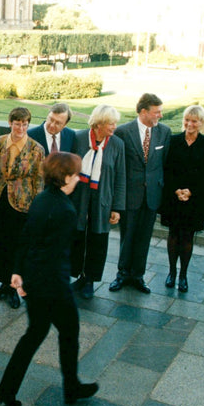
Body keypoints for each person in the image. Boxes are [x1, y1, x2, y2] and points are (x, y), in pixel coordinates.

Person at [0, 152, 99, 406]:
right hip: (51, 285)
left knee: (35, 334)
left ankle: (8, 390)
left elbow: (27, 237)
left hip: (35, 280)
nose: (79, 178)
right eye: (76, 174)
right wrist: (43, 285)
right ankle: (71, 388)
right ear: (64, 177)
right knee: (69, 331)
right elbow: (55, 256)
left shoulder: (42, 198)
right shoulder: (65, 209)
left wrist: (18, 273)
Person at [110, 93, 171, 294]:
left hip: (152, 196)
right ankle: (122, 274)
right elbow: (116, 167)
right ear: (143, 112)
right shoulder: (123, 132)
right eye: (157, 112)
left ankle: (138, 276)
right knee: (127, 236)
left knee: (144, 238)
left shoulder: (164, 132)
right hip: (129, 196)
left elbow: (163, 164)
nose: (160, 116)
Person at [0, 107, 45, 308]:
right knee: (0, 245)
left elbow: (39, 181)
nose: (20, 127)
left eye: (24, 124)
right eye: (17, 123)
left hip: (23, 205)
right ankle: (3, 284)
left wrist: (37, 211)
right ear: (10, 122)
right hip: (0, 201)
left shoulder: (36, 149)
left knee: (17, 247)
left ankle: (13, 289)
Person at [71, 105, 126, 299]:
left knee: (98, 240)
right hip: (79, 198)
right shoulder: (78, 138)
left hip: (103, 199)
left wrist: (117, 208)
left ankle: (90, 280)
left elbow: (120, 178)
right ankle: (79, 275)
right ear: (99, 123)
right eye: (111, 123)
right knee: (77, 237)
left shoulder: (117, 144)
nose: (114, 127)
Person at [159, 105, 204, 293]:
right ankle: (172, 272)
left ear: (201, 123)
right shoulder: (173, 141)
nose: (190, 124)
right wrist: (176, 190)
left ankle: (183, 274)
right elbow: (166, 168)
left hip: (195, 198)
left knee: (188, 236)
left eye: (194, 121)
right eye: (187, 120)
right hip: (174, 197)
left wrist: (190, 191)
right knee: (173, 235)